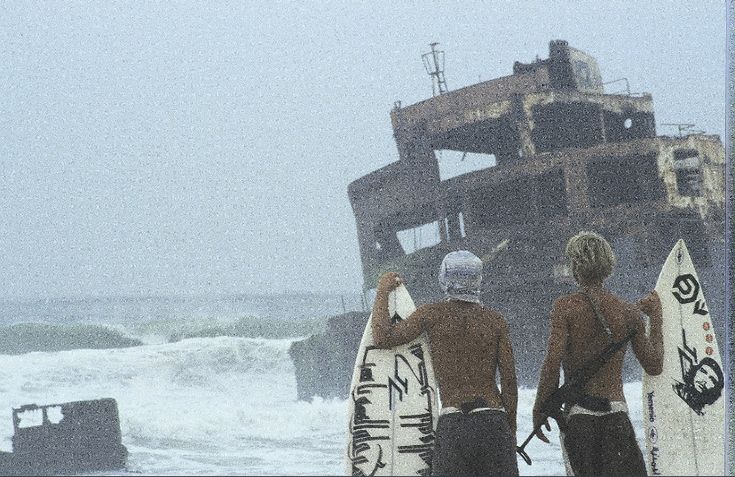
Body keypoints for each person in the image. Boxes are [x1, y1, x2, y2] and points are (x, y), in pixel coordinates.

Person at [371, 250, 519, 476]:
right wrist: (511, 427)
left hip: (454, 422)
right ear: (477, 280)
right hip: (492, 421)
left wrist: (382, 291)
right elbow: (509, 381)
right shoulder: (495, 321)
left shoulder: (432, 315)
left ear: (444, 279)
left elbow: (383, 338)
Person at [532, 231, 664, 476]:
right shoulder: (628, 312)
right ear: (608, 265)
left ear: (575, 266)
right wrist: (655, 319)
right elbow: (654, 365)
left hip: (579, 419)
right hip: (616, 416)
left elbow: (552, 363)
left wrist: (539, 408)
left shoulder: (565, 307)